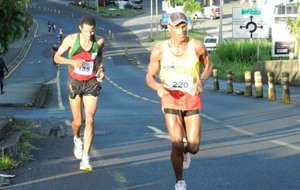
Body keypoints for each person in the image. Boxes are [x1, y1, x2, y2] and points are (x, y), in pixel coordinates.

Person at [145, 12, 212, 190]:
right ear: (169, 28)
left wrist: (200, 81)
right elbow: (150, 77)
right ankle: (180, 181)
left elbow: (208, 65)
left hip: (191, 97)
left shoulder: (196, 46)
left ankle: (186, 152)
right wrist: (158, 87)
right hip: (170, 98)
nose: (182, 30)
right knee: (176, 142)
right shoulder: (160, 49)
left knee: (194, 146)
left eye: (184, 26)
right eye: (177, 26)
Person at [54, 15, 105, 172]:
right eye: (87, 31)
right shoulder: (71, 40)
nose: (90, 35)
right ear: (80, 28)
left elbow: (99, 57)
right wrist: (72, 62)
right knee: (78, 121)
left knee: (89, 120)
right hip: (75, 82)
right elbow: (56, 57)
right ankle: (76, 138)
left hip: (91, 82)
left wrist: (101, 70)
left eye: (92, 31)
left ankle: (85, 158)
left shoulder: (99, 41)